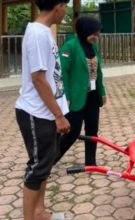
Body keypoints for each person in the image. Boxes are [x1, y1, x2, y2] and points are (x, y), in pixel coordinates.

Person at [15, 0, 70, 219]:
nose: (65, 12)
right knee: (37, 168)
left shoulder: (43, 31)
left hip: (46, 111)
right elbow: (38, 79)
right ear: (57, 7)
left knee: (46, 163)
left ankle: (39, 211)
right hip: (36, 113)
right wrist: (58, 115)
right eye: (65, 6)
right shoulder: (38, 34)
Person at [55, 16, 107, 166]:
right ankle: (49, 160)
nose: (96, 37)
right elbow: (62, 73)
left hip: (92, 96)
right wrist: (66, 96)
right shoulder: (69, 47)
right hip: (76, 97)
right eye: (93, 34)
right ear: (84, 31)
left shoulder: (93, 47)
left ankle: (91, 163)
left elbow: (99, 71)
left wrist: (102, 91)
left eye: (97, 34)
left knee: (92, 130)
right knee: (72, 131)